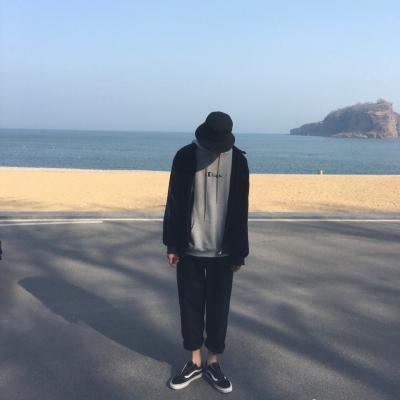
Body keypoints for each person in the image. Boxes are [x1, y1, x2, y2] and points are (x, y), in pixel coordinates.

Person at [163, 111, 249, 394]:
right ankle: (194, 361)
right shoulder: (185, 157)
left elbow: (241, 210)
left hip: (224, 252)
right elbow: (174, 201)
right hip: (189, 249)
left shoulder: (240, 161)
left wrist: (239, 252)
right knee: (189, 306)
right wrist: (172, 244)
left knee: (219, 309)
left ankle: (213, 362)